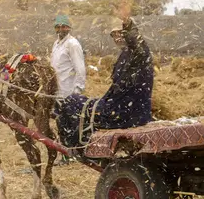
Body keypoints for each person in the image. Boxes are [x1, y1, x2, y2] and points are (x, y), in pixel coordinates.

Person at [56, 16, 153, 149]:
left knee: (71, 104)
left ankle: (77, 147)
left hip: (127, 113)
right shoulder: (125, 55)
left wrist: (129, 25)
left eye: (120, 33)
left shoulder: (140, 54)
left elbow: (138, 45)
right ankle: (73, 146)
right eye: (114, 35)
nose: (117, 38)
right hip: (118, 106)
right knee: (71, 102)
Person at [50, 14, 86, 164]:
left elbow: (80, 68)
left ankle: (72, 154)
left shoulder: (73, 44)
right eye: (58, 27)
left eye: (63, 26)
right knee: (61, 123)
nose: (61, 29)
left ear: (69, 28)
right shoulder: (56, 44)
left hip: (69, 91)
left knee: (71, 124)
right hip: (58, 91)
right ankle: (65, 154)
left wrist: (78, 89)